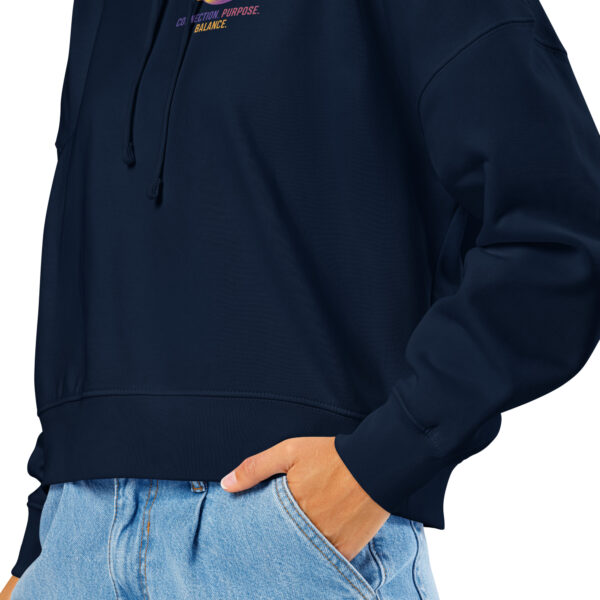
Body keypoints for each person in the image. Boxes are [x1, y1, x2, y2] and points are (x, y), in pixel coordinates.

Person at [3, 0, 600, 598]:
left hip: (282, 543)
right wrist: (36, 545)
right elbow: (91, 278)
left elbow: (561, 235)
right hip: (73, 548)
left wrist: (384, 460)